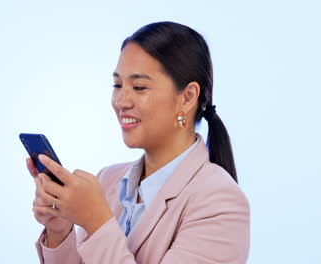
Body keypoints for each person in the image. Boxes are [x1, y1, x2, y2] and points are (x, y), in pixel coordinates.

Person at [26, 21, 250, 264]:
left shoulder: (220, 202)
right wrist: (60, 231)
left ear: (187, 97)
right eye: (117, 85)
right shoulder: (108, 181)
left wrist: (97, 223)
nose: (121, 101)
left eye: (139, 87)